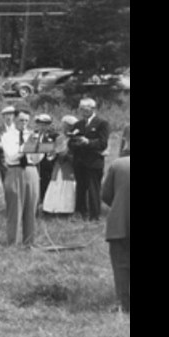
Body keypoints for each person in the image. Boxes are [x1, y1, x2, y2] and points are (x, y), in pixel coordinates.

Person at [0, 109, 42, 245]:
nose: (23, 123)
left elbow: (37, 158)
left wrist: (36, 147)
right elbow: (12, 156)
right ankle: (13, 241)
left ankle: (29, 241)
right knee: (15, 208)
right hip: (15, 170)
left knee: (31, 207)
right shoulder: (7, 136)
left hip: (31, 170)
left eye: (26, 120)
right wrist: (26, 146)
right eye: (20, 120)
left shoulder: (32, 135)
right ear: (14, 119)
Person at [101, 125, 130, 313]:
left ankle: (123, 304)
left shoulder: (118, 164)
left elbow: (106, 195)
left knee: (121, 266)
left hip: (120, 223)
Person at [69, 97, 110, 220]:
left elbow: (103, 143)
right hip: (79, 162)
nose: (82, 111)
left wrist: (88, 142)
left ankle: (94, 216)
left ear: (93, 108)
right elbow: (70, 142)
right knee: (80, 189)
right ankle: (80, 213)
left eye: (85, 108)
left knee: (93, 190)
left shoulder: (102, 123)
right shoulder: (78, 124)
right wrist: (74, 143)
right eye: (81, 108)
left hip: (93, 162)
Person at [42, 116, 79, 215]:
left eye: (67, 126)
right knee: (56, 183)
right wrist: (53, 154)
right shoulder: (59, 138)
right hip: (58, 165)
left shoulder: (75, 138)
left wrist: (67, 154)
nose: (65, 128)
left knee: (68, 184)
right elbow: (54, 151)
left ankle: (66, 209)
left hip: (69, 166)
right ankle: (52, 208)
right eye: (64, 126)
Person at [0, 105, 17, 183]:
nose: (9, 117)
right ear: (3, 117)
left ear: (14, 116)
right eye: (6, 115)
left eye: (11, 115)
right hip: (4, 161)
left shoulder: (18, 128)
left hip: (17, 161)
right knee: (6, 185)